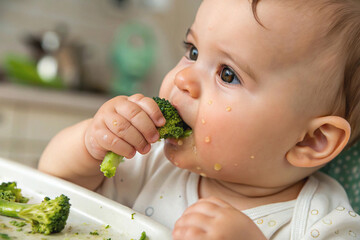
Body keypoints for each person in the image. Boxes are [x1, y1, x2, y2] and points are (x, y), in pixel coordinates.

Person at [38, 0, 360, 239]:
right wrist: (91, 143)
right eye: (192, 52)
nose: (183, 79)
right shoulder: (151, 165)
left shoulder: (324, 223)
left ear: (310, 140)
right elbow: (51, 183)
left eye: (228, 74)